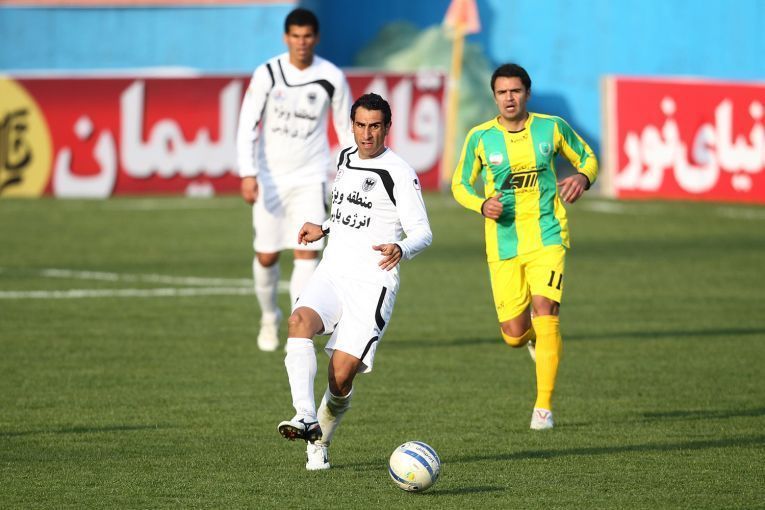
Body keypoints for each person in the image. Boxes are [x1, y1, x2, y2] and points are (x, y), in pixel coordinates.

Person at [276, 93, 432, 470]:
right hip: (332, 271)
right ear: (352, 126)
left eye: (375, 126)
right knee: (298, 322)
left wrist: (401, 247)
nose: (367, 134)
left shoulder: (399, 172)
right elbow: (350, 212)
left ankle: (320, 439)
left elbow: (423, 232)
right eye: (360, 125)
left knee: (341, 377)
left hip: (372, 284)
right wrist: (324, 226)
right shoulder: (345, 157)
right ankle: (305, 417)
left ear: (387, 128)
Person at [451, 63, 598, 430]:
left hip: (548, 236)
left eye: (515, 91)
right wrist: (481, 205)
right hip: (503, 244)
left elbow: (588, 157)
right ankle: (533, 340)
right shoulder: (480, 137)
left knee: (547, 310)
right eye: (502, 92)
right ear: (494, 97)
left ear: (527, 94)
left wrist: (582, 177)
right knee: (514, 335)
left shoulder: (552, 128)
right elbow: (460, 184)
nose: (509, 98)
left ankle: (543, 409)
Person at [236, 7, 354, 352]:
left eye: (307, 36)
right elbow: (247, 124)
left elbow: (345, 131)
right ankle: (268, 317)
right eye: (296, 36)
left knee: (306, 253)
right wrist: (247, 172)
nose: (302, 43)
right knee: (267, 256)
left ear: (316, 38)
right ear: (286, 38)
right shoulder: (268, 73)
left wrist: (350, 174)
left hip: (311, 177)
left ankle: (295, 328)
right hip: (270, 178)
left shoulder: (331, 76)